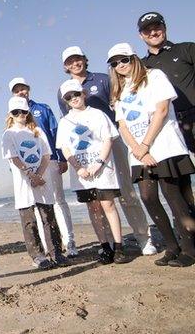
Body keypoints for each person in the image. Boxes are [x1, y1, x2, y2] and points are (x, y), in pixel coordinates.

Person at [58, 46, 157, 256]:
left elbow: (119, 105)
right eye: (70, 61)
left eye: (78, 59)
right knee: (97, 200)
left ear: (84, 60)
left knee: (126, 191)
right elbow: (69, 122)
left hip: (114, 140)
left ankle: (143, 237)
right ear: (65, 66)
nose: (75, 63)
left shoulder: (103, 79)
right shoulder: (63, 91)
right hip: (87, 151)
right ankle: (110, 243)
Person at [108, 42, 195, 267]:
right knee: (149, 198)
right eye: (115, 63)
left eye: (124, 59)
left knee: (174, 196)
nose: (120, 65)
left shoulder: (154, 76)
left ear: (133, 58)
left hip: (164, 146)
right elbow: (123, 125)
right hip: (138, 152)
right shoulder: (120, 89)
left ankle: (189, 249)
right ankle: (171, 247)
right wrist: (137, 149)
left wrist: (146, 144)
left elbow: (162, 110)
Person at [56, 80, 128, 264]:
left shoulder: (98, 114)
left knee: (108, 205)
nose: (73, 98)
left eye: (76, 94)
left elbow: (108, 140)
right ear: (65, 100)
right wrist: (78, 167)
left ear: (83, 93)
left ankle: (119, 247)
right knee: (93, 208)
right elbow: (65, 148)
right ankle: (105, 247)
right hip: (82, 173)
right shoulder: (64, 122)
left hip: (103, 169)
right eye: (69, 97)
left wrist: (99, 162)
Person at [8, 77, 78, 257]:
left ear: (28, 89)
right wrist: (25, 171)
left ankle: (70, 242)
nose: (21, 92)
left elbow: (55, 133)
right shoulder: (14, 117)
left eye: (23, 88)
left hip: (51, 161)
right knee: (38, 207)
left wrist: (62, 158)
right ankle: (49, 247)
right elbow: (13, 152)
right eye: (17, 90)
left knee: (58, 201)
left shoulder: (43, 108)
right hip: (29, 170)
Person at [1, 96, 69, 270]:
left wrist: (39, 174)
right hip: (24, 183)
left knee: (49, 218)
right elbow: (14, 157)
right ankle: (37, 255)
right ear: (11, 114)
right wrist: (30, 174)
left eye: (23, 111)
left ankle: (56, 252)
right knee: (29, 220)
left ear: (28, 112)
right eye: (16, 112)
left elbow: (46, 154)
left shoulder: (37, 131)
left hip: (42, 180)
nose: (21, 115)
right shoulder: (9, 134)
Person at [137, 12, 195, 153]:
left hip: (193, 118)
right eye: (147, 30)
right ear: (141, 35)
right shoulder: (141, 66)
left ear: (165, 28)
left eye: (157, 27)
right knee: (181, 173)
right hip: (168, 128)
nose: (153, 32)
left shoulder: (187, 49)